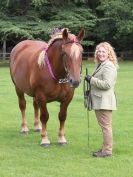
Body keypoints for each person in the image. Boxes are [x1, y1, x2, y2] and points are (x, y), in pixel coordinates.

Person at [85, 42, 119, 157]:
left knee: (106, 127)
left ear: (108, 53)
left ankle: (107, 151)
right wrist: (91, 89)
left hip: (104, 102)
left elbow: (107, 84)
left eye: (103, 51)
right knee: (105, 126)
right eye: (99, 51)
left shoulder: (108, 66)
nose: (100, 54)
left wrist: (91, 80)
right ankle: (105, 149)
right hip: (100, 101)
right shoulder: (101, 64)